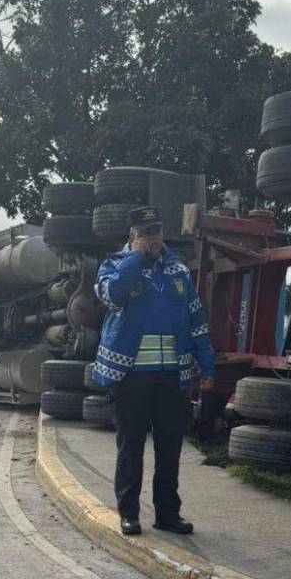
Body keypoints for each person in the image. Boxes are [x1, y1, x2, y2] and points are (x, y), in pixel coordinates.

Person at [92, 207, 216, 537]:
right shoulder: (114, 266)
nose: (154, 239)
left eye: (157, 232)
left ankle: (168, 514)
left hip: (172, 378)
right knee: (130, 447)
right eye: (146, 234)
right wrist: (135, 258)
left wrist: (206, 364)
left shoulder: (177, 271)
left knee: (169, 449)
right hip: (130, 378)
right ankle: (128, 514)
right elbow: (113, 296)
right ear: (133, 237)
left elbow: (196, 319)